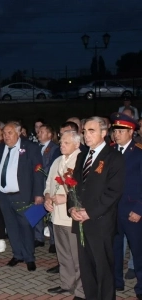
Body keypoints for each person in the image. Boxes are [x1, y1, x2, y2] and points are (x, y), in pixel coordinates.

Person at [68, 116, 125, 300]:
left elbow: (113, 192)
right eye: (84, 131)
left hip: (100, 223)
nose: (86, 135)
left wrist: (90, 212)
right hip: (81, 222)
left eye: (91, 131)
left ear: (103, 132)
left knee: (104, 270)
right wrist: (72, 209)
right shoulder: (82, 155)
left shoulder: (114, 157)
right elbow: (74, 186)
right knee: (87, 270)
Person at [0, 121, 44, 271]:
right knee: (11, 226)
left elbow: (38, 172)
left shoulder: (30, 148)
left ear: (18, 133)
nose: (6, 136)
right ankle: (17, 254)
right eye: (4, 133)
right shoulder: (0, 148)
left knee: (26, 226)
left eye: (9, 133)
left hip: (23, 195)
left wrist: (39, 193)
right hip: (5, 196)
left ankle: (29, 258)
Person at [44, 130, 85, 300]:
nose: (62, 145)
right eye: (61, 142)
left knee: (78, 256)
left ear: (77, 144)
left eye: (66, 143)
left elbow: (85, 189)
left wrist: (66, 197)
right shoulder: (57, 161)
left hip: (73, 217)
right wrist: (47, 198)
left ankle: (82, 290)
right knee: (63, 254)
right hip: (57, 216)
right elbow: (48, 184)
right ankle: (67, 284)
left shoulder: (82, 161)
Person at [111, 113, 142, 299]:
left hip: (132, 211)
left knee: (138, 250)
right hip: (113, 211)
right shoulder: (110, 152)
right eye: (115, 131)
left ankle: (140, 287)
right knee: (114, 249)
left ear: (131, 132)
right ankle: (116, 282)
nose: (117, 134)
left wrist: (139, 209)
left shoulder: (138, 153)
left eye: (121, 131)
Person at [34, 124, 59, 253]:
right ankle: (38, 238)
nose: (39, 134)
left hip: (49, 185)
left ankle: (54, 242)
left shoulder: (55, 148)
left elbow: (53, 166)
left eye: (42, 132)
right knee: (37, 211)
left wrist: (40, 170)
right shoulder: (36, 148)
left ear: (49, 134)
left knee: (50, 214)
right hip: (37, 185)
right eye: (38, 132)